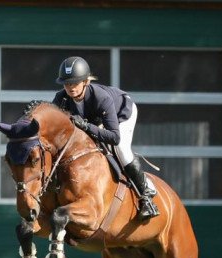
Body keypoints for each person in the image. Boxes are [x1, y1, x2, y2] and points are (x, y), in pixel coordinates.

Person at [52, 56, 159, 221]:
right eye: (66, 83)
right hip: (96, 120)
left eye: (75, 83)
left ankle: (146, 194)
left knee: (120, 148)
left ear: (86, 82)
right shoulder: (61, 99)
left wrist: (86, 127)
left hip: (122, 113)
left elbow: (114, 137)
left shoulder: (101, 98)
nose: (70, 87)